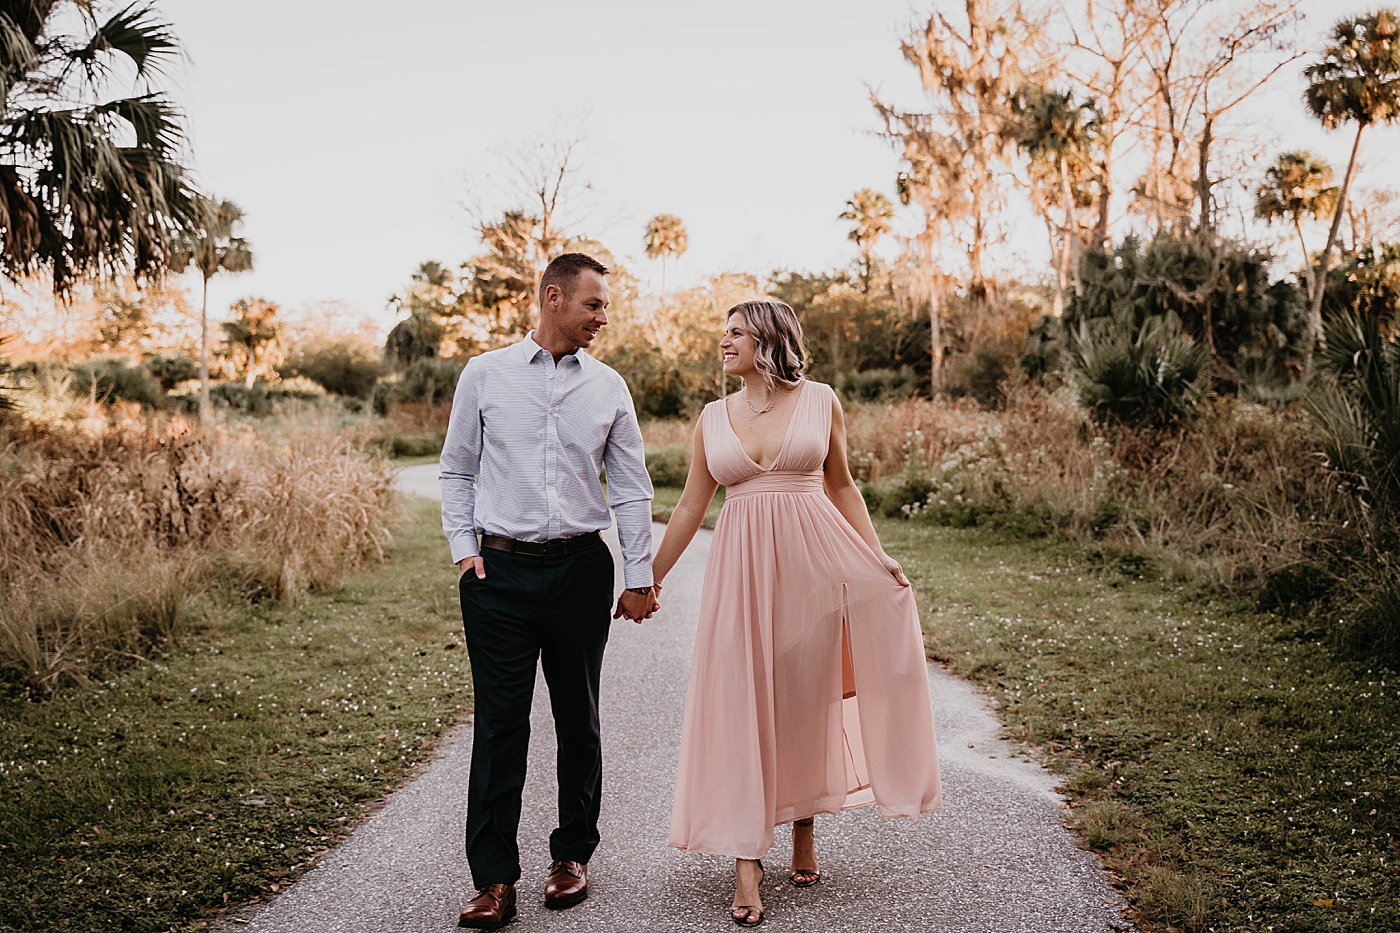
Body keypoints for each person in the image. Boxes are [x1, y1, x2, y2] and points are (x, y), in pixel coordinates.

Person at [650, 299, 942, 926]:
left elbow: (841, 485)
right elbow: (688, 509)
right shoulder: (711, 417)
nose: (723, 343)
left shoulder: (821, 400)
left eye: (735, 334)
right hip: (741, 574)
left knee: (804, 696)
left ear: (769, 339)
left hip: (814, 568)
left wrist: (877, 557)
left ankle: (805, 826)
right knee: (740, 701)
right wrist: (648, 578)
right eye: (723, 333)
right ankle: (746, 858)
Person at [440, 252, 661, 929]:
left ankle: (571, 856)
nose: (603, 317)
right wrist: (464, 552)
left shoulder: (609, 387)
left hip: (578, 572)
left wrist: (639, 573)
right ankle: (493, 879)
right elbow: (456, 470)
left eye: (605, 307)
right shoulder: (485, 374)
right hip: (497, 575)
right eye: (593, 304)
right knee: (501, 725)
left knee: (579, 716)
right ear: (552, 297)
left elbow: (628, 486)